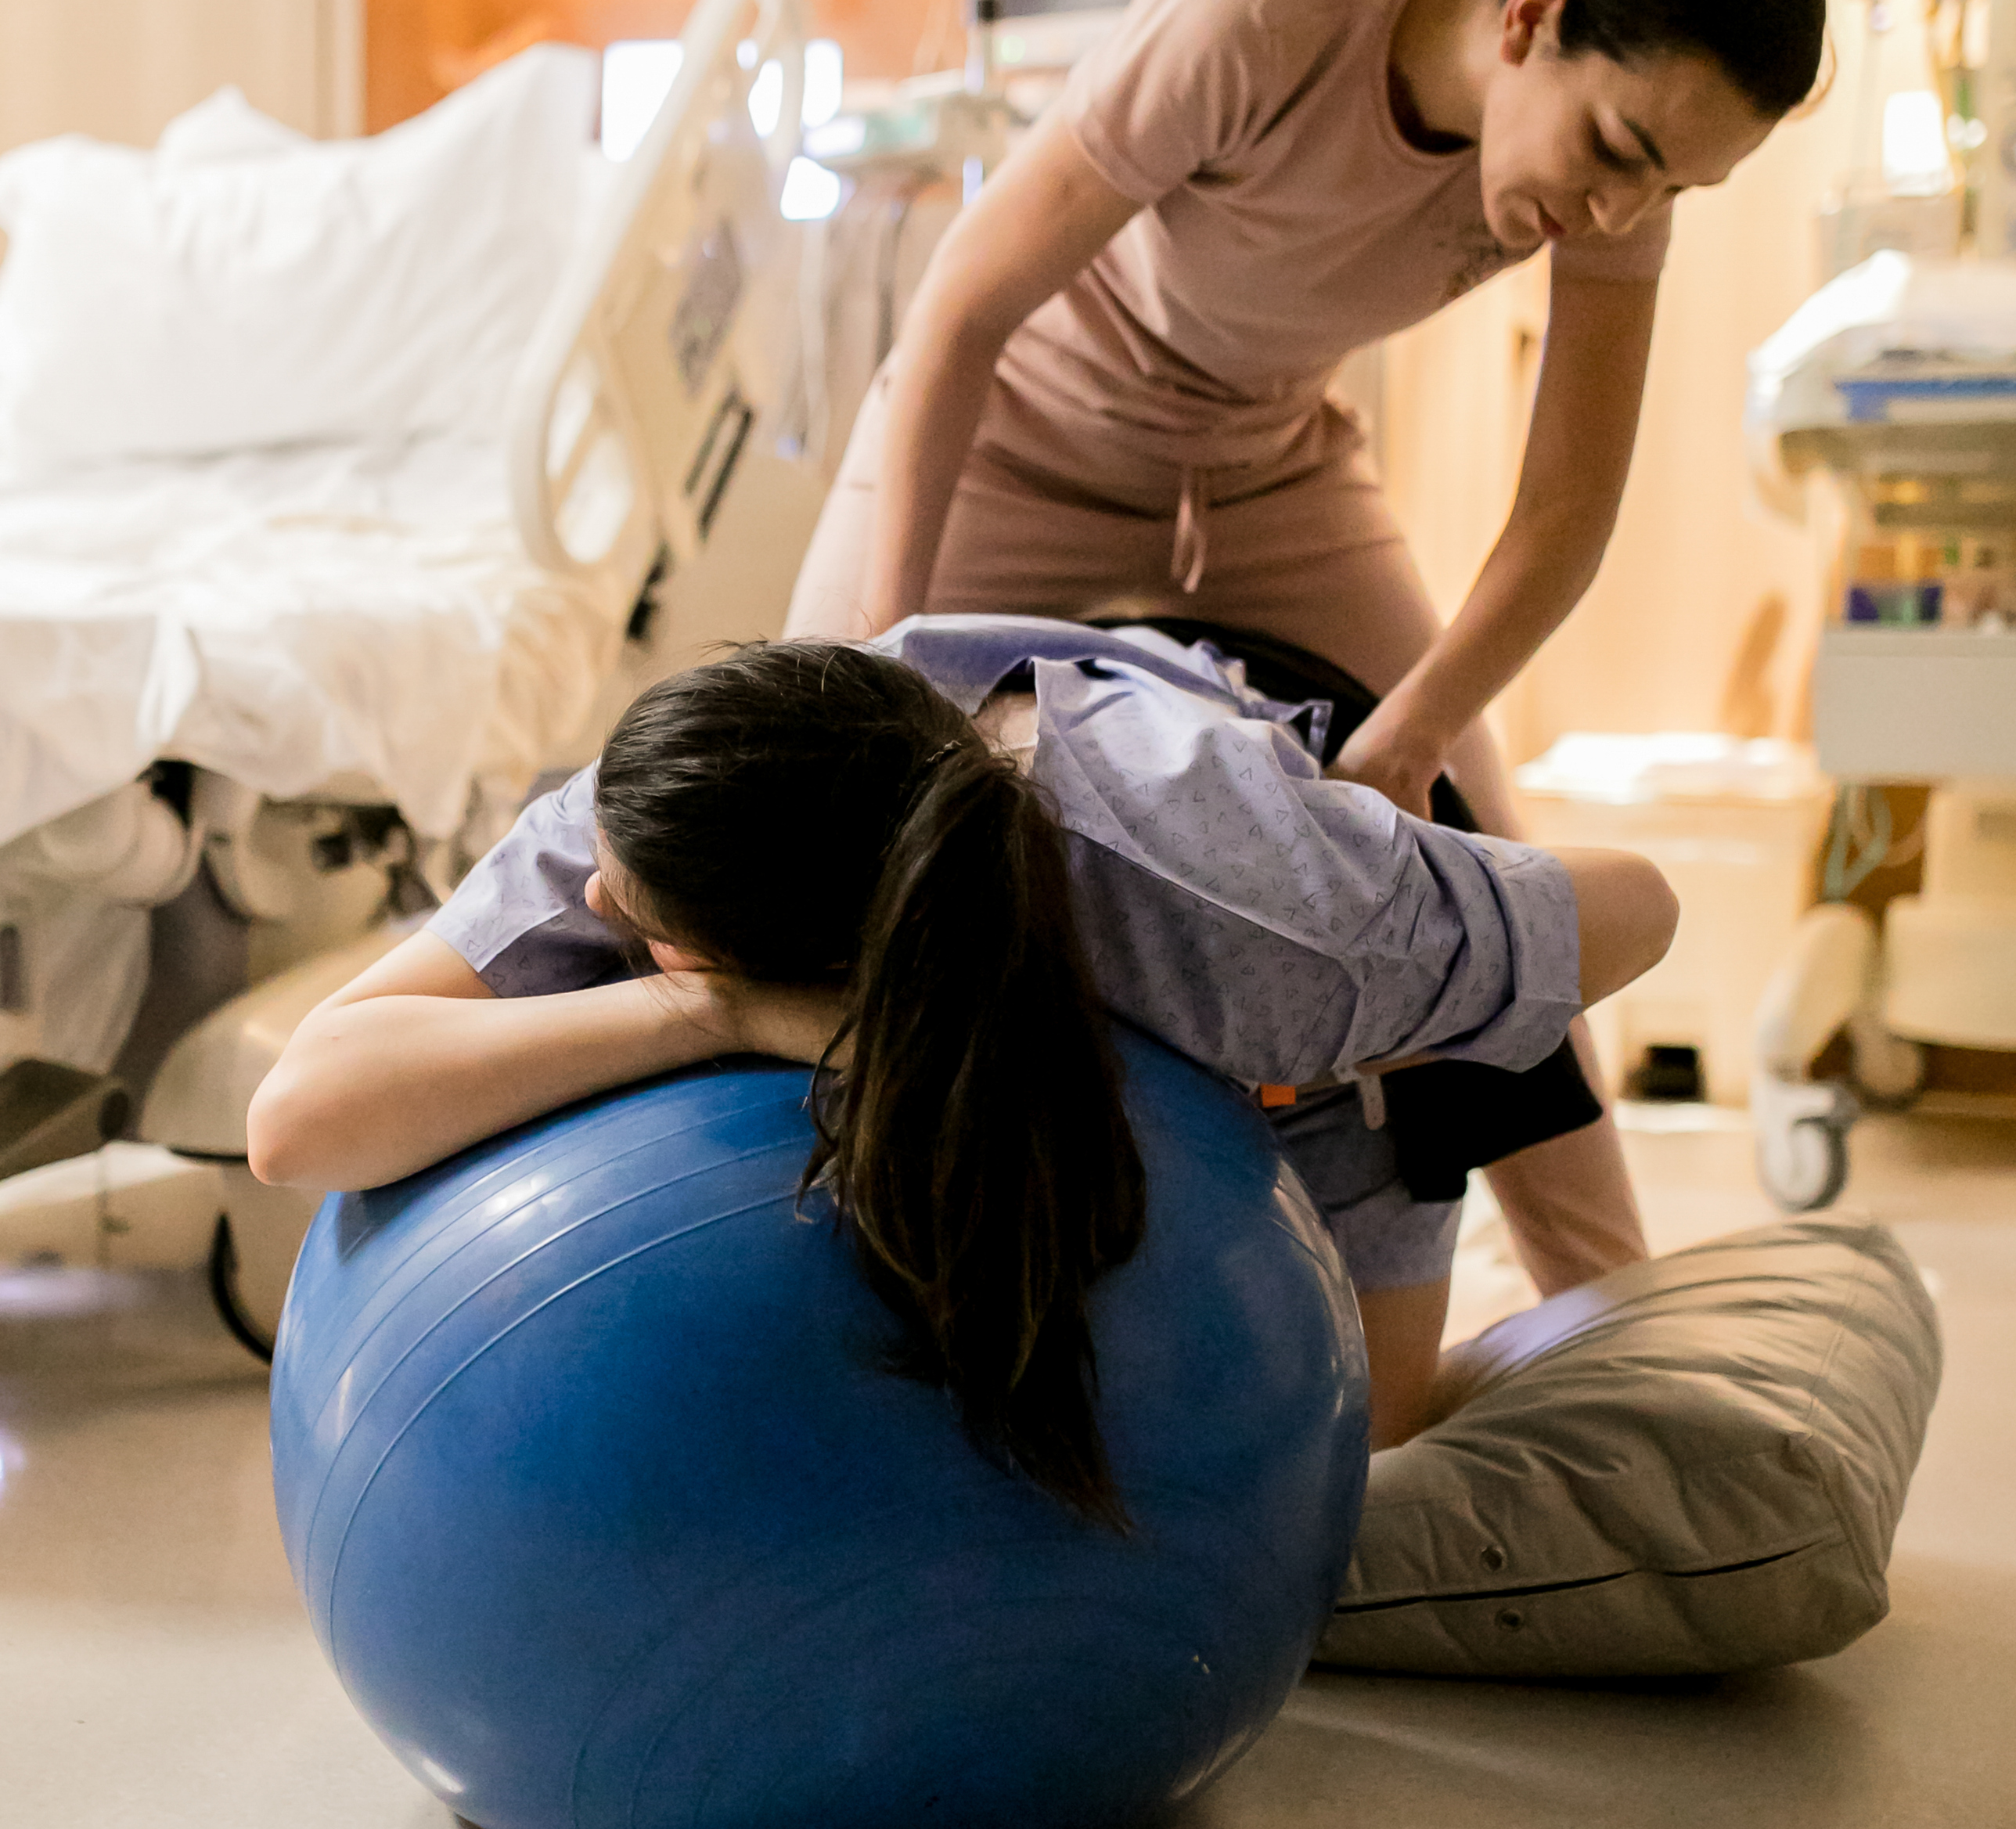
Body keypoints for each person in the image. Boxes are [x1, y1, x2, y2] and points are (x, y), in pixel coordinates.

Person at [782, 0, 1827, 1308]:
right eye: (1617, 154)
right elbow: (962, 310)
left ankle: (1616, 1334)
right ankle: (783, 1260)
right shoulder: (1270, 3)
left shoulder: (1616, 176)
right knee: (804, 798)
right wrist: (887, 659)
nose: (1620, 215)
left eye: (1672, 192)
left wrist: (1406, 747)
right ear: (1533, 14)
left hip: (1267, 470)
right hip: (1024, 433)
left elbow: (1566, 509)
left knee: (1489, 861)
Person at [248, 619, 1677, 1482]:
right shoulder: (643, 819)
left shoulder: (1270, 935)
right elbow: (300, 1119)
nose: (597, 904)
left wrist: (1410, 938)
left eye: (638, 914)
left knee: (1345, 1492)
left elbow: (1639, 906)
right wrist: (710, 1011)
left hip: (1288, 928)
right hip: (963, 745)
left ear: (826, 947)